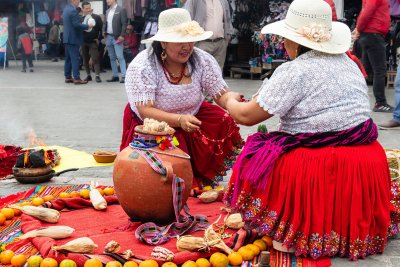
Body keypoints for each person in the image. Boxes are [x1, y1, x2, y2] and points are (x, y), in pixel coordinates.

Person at [220, 0, 394, 260]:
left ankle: (294, 229)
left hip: (319, 162)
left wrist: (226, 99)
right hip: (366, 159)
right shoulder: (349, 63)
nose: (283, 43)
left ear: (296, 42)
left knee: (257, 152)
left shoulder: (294, 71)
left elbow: (246, 116)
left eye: (285, 38)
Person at [122, 8, 243, 188]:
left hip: (191, 113)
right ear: (163, 42)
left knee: (222, 119)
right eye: (180, 42)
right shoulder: (143, 66)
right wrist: (178, 119)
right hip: (155, 123)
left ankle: (203, 177)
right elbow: (145, 110)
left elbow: (220, 94)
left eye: (190, 41)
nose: (187, 47)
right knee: (176, 162)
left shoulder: (202, 60)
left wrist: (232, 101)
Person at [352, 0, 393, 112]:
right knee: (379, 70)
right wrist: (358, 29)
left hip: (370, 34)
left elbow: (365, 11)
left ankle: (352, 98)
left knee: (365, 69)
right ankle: (380, 103)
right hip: (373, 34)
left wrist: (358, 29)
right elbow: (367, 12)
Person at [184, 0, 233, 70]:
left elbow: (227, 19)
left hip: (220, 43)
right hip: (202, 43)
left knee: (217, 73)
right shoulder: (194, 1)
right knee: (200, 71)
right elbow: (187, 17)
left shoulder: (223, 1)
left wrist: (227, 38)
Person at [63, 0, 93, 85]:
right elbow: (76, 25)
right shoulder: (73, 10)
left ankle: (68, 77)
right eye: (78, 0)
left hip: (67, 37)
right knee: (75, 58)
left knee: (68, 58)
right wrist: (88, 26)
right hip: (73, 38)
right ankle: (77, 78)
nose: (79, 1)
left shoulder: (66, 9)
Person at [104, 0, 128, 83]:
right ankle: (115, 75)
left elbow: (124, 23)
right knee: (112, 57)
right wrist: (104, 32)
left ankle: (124, 76)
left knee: (120, 56)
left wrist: (122, 35)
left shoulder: (121, 9)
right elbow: (106, 23)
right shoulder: (107, 11)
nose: (107, 1)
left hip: (117, 37)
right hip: (109, 36)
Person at [81, 1, 103, 83]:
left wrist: (99, 39)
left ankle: (97, 76)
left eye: (89, 8)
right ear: (83, 9)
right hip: (83, 41)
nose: (88, 9)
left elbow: (101, 29)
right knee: (85, 59)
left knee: (95, 58)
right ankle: (88, 75)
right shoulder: (80, 18)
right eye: (86, 8)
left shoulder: (96, 17)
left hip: (93, 41)